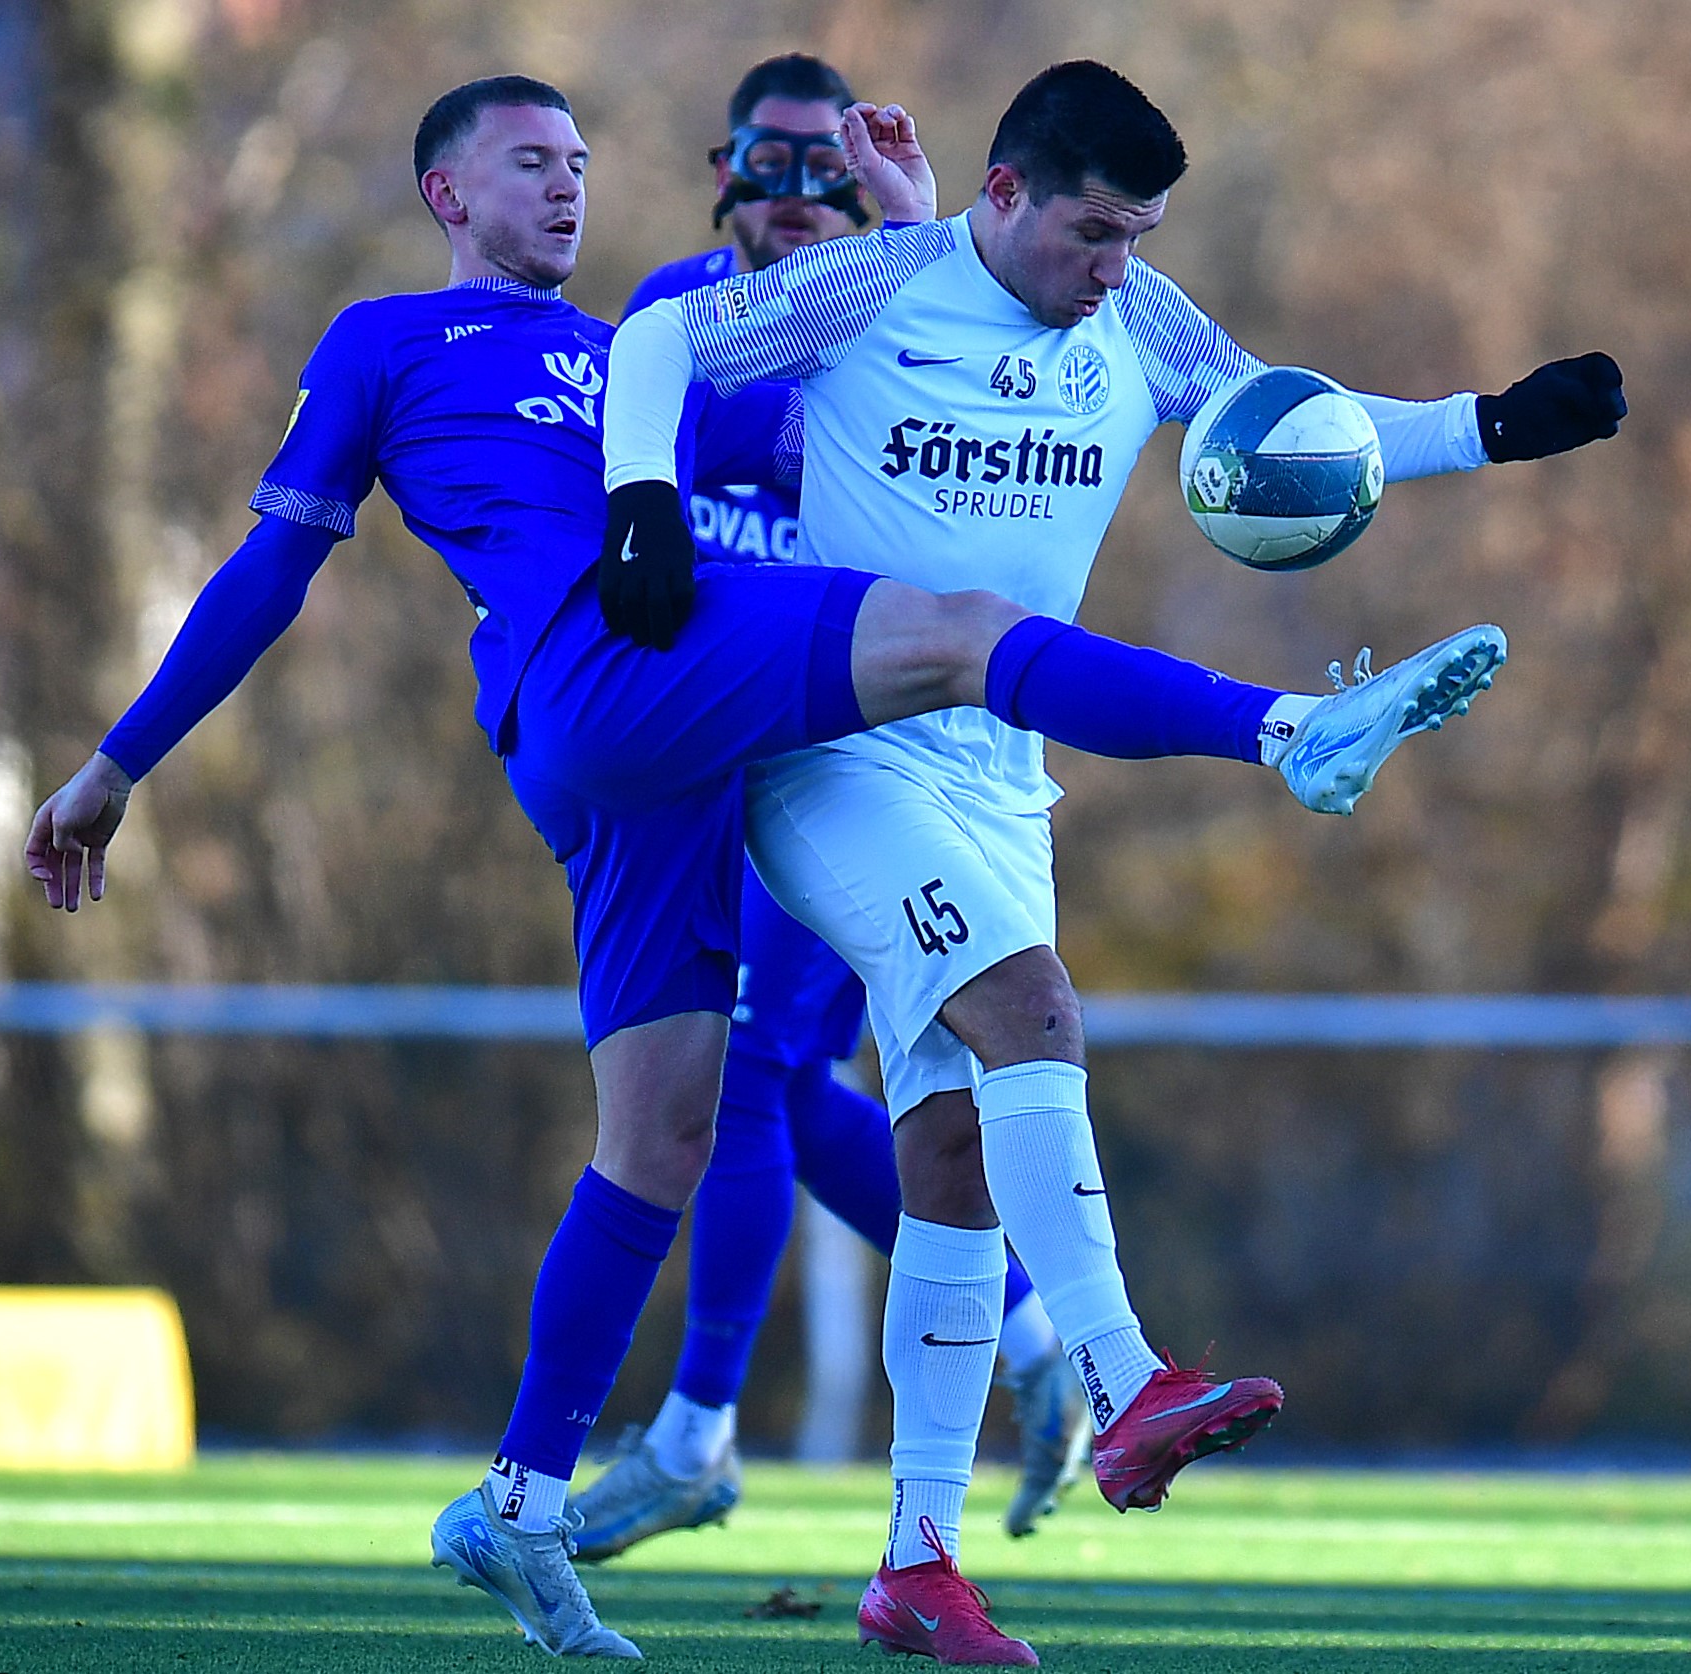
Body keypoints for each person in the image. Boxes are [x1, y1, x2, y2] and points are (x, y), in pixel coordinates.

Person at [26, 73, 1520, 1661]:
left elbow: (893, 394)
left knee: (667, 1134)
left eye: (580, 159)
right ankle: (1292, 733)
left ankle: (524, 1498)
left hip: (680, 745)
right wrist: (118, 763)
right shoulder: (389, 343)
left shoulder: (628, 344)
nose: (567, 185)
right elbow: (271, 569)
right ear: (445, 193)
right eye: (528, 163)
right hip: (605, 667)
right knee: (965, 638)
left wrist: (925, 231)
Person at [604, 59, 1623, 1665]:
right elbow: (660, 340)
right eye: (1093, 232)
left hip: (1007, 776)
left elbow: (1300, 430)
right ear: (1003, 194)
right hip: (839, 751)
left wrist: (1495, 428)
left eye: (1138, 236)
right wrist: (643, 498)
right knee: (1037, 1014)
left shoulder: (1135, 316)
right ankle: (1125, 1374)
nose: (1116, 267)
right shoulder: (878, 279)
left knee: (950, 1151)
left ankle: (917, 1563)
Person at [568, 51, 1086, 1568]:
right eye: (769, 156)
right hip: (697, 757)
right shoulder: (673, 314)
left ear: (864, 179)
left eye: (826, 161)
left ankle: (698, 1433)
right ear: (723, 166)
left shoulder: (884, 309)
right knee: (773, 1093)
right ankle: (1035, 1331)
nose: (796, 190)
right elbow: (623, 487)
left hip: (845, 752)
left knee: (750, 1073)